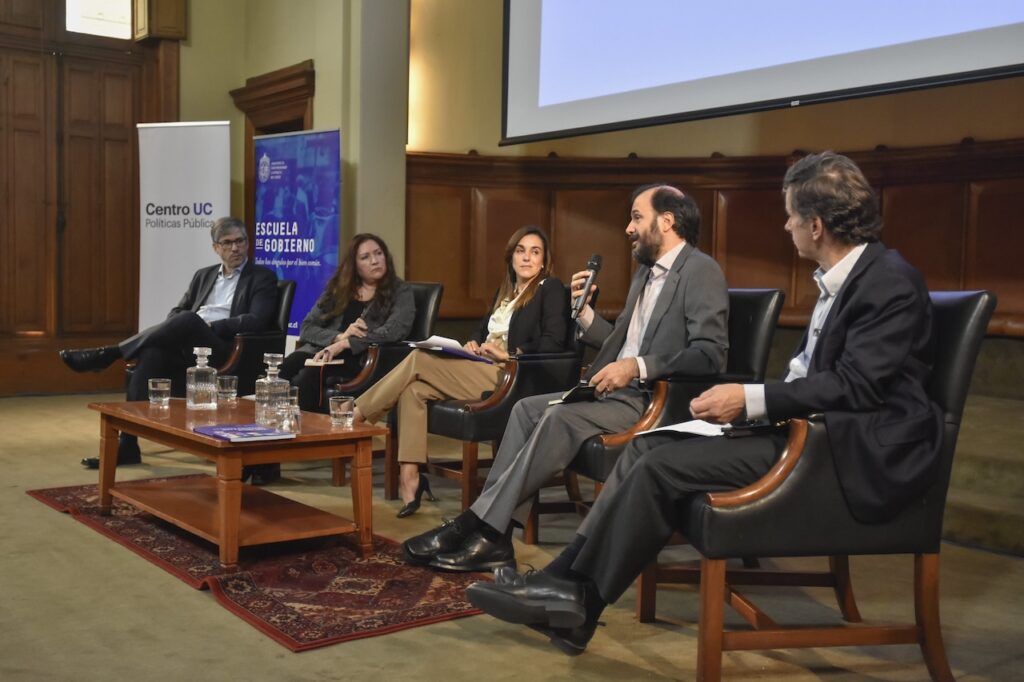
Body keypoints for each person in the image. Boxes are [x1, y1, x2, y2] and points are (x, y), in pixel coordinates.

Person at [464, 151, 943, 656]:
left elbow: (856, 388)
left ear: (817, 225)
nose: (785, 225)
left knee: (659, 467)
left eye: (791, 216)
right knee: (647, 449)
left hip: (848, 452)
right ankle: (566, 584)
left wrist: (750, 398)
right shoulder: (845, 278)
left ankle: (577, 597)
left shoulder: (887, 281)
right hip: (808, 429)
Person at [401, 183, 729, 571]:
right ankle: (497, 537)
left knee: (557, 417)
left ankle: (476, 526)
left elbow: (711, 354)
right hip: (610, 391)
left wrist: (638, 367)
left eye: (637, 217)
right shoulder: (645, 274)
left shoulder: (701, 270)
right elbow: (619, 343)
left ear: (668, 221)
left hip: (650, 400)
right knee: (524, 410)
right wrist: (585, 314)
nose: (628, 227)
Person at [354, 226, 572, 518]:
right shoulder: (505, 294)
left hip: (510, 375)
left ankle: (356, 413)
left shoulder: (550, 288)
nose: (527, 258)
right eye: (521, 251)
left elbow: (553, 342)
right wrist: (473, 344)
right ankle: (410, 477)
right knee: (413, 389)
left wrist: (508, 354)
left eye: (535, 252)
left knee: (419, 359)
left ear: (544, 261)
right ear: (511, 257)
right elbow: (481, 332)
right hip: (483, 366)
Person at [60, 217, 278, 469]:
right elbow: (177, 311)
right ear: (216, 248)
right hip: (189, 344)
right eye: (227, 243)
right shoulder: (204, 275)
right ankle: (128, 446)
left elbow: (257, 320)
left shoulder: (262, 277)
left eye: (240, 241)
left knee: (188, 319)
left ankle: (110, 354)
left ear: (248, 243)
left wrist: (211, 327)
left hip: (223, 348)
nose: (235, 248)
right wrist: (183, 325)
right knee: (153, 351)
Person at [244, 234, 415, 485]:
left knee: (307, 378)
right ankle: (257, 452)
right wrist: (338, 336)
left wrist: (347, 343)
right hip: (321, 352)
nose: (375, 261)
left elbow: (395, 330)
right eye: (365, 257)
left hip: (360, 361)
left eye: (378, 254)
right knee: (277, 376)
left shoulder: (401, 291)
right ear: (354, 265)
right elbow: (307, 328)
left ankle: (267, 459)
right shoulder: (339, 289)